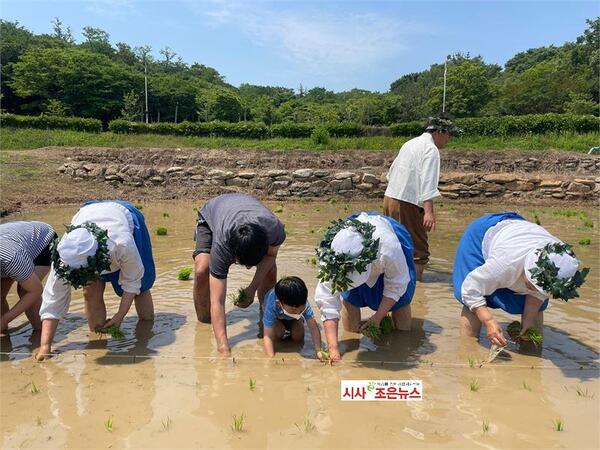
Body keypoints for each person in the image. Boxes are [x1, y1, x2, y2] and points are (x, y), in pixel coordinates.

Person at [36, 200, 156, 360]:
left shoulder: (122, 243)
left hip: (123, 216)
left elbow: (133, 280)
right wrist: (45, 346)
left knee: (141, 289)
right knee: (90, 291)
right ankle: (98, 341)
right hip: (88, 212)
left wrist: (120, 315)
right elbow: (53, 299)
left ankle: (145, 336)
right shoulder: (64, 255)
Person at [453, 212, 589, 347]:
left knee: (535, 311)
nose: (532, 290)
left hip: (519, 233)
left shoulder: (561, 263)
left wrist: (527, 324)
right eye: (531, 284)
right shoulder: (505, 264)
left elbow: (537, 295)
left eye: (539, 288)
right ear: (527, 267)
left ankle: (531, 353)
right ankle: (468, 350)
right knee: (473, 302)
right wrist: (488, 320)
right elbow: (471, 290)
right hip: (482, 236)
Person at [314, 212, 416, 363]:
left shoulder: (389, 246)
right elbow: (327, 299)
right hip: (354, 241)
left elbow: (397, 283)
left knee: (401, 302)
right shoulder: (331, 253)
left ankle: (400, 348)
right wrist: (333, 346)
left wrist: (377, 318)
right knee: (350, 299)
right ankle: (351, 333)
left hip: (387, 237)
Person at [192, 193, 285, 355]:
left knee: (270, 270)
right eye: (244, 264)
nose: (249, 268)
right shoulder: (222, 245)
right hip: (211, 214)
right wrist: (223, 348)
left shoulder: (274, 229)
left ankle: (266, 322)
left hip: (244, 211)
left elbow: (270, 256)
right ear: (233, 255)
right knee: (202, 271)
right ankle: (204, 321)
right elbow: (218, 301)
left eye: (252, 264)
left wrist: (252, 289)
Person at [383, 113, 458, 281]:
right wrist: (429, 212)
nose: (449, 139)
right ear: (439, 132)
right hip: (407, 202)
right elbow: (428, 181)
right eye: (448, 135)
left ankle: (395, 282)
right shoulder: (431, 150)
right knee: (419, 250)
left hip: (390, 197)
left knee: (395, 243)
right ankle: (417, 289)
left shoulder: (410, 143)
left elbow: (391, 172)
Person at [1, 221, 56, 334]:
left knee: (25, 290)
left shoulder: (10, 258)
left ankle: (40, 331)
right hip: (13, 239)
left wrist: (4, 319)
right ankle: (3, 332)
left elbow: (36, 291)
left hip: (42, 240)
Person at [262, 276, 323, 359]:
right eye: (294, 310)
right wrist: (271, 359)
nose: (298, 312)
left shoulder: (302, 302)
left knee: (298, 337)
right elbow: (267, 335)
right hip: (277, 318)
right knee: (278, 334)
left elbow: (313, 328)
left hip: (294, 319)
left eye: (301, 310)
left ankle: (297, 324)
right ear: (279, 303)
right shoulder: (272, 305)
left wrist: (319, 351)